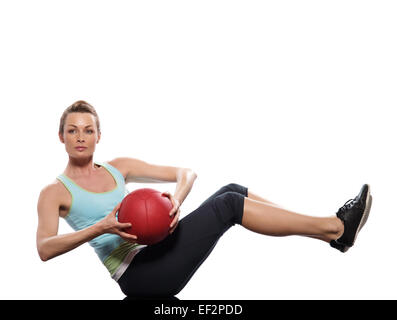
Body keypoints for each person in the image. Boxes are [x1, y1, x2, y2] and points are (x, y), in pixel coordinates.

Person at [36, 100, 373, 298]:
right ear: (60, 136)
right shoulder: (55, 192)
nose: (81, 137)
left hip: (158, 247)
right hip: (139, 275)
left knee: (232, 189)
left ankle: (331, 235)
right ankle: (335, 227)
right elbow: (44, 249)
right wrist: (101, 227)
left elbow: (187, 173)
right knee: (228, 206)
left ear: (98, 135)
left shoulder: (118, 168)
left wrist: (176, 200)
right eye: (73, 130)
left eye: (88, 130)